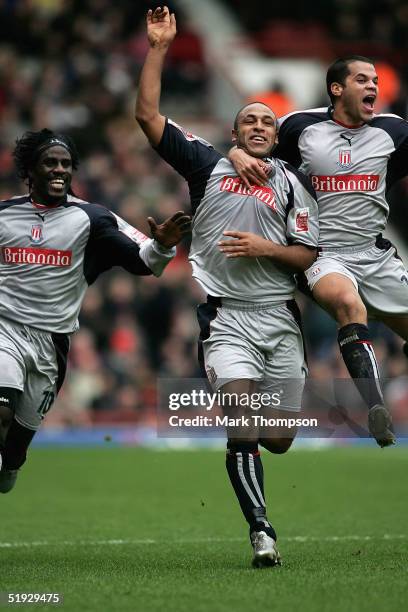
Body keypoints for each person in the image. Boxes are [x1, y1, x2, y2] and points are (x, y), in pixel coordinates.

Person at [135, 7, 319, 567]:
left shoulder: (295, 184)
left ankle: (254, 461)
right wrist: (160, 47)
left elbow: (308, 253)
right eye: (249, 121)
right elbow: (147, 116)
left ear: (276, 133)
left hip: (281, 319)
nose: (259, 126)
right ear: (233, 132)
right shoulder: (207, 167)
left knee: (280, 438)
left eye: (267, 120)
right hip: (227, 320)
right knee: (241, 424)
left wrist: (265, 249)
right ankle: (262, 531)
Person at [230, 55, 408, 448]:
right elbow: (258, 153)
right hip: (322, 254)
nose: (374, 87)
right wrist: (237, 154)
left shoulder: (393, 131)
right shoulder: (300, 126)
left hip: (375, 253)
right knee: (349, 305)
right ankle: (376, 408)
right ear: (337, 88)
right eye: (363, 79)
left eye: (376, 80)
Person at [0, 127, 191, 493]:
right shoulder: (5, 215)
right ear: (29, 172)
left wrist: (164, 246)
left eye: (66, 164)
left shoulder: (92, 218)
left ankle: (9, 465)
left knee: (13, 455)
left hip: (50, 344)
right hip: (4, 329)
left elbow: (143, 260)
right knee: (1, 413)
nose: (59, 170)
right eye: (50, 163)